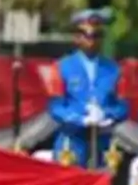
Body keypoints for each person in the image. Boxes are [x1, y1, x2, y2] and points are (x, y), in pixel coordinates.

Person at [46, 9, 129, 169]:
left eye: (97, 35)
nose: (91, 40)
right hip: (72, 140)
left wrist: (108, 116)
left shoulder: (113, 69)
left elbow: (123, 106)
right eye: (86, 35)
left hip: (103, 141)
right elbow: (55, 105)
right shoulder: (62, 66)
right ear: (77, 37)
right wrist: (79, 118)